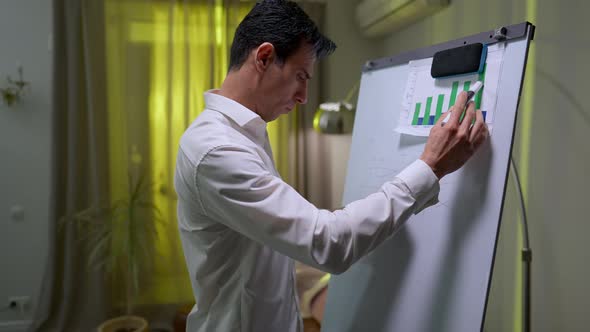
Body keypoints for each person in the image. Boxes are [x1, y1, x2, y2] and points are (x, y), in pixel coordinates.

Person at [173, 0, 489, 331]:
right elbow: (328, 244)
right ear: (263, 58)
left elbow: (271, 239)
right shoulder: (218, 150)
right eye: (300, 76)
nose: (304, 96)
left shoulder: (243, 133)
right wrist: (431, 166)